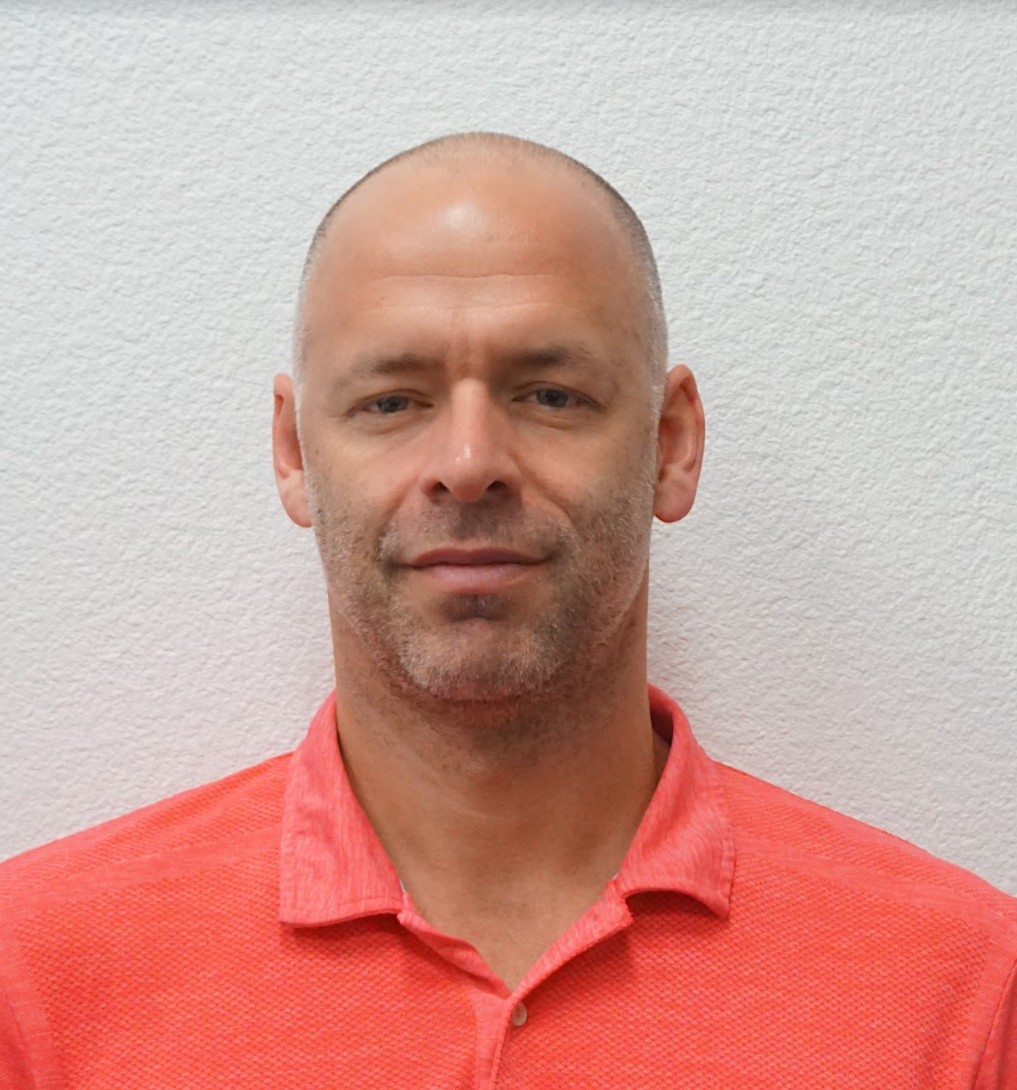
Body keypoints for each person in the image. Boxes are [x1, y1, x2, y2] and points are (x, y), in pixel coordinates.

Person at [1, 132, 1014, 1088]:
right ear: (295, 453)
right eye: (392, 401)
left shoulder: (960, 990)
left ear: (671, 444)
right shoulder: (35, 981)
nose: (469, 463)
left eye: (551, 394)